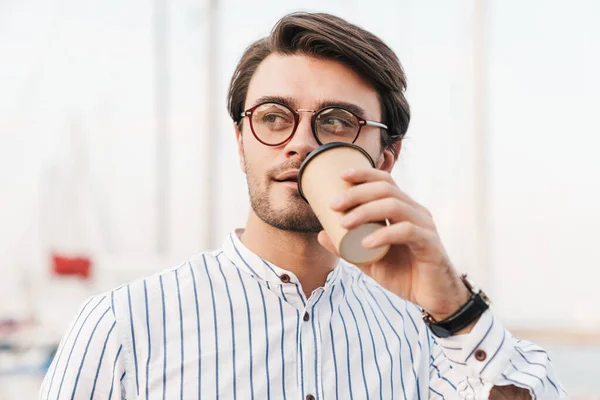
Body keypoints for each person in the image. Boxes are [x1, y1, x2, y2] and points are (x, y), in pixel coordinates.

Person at [40, 12, 566, 400]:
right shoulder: (125, 324)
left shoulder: (428, 332)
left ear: (386, 156)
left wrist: (452, 307)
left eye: (337, 121)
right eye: (273, 116)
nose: (301, 143)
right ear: (241, 140)